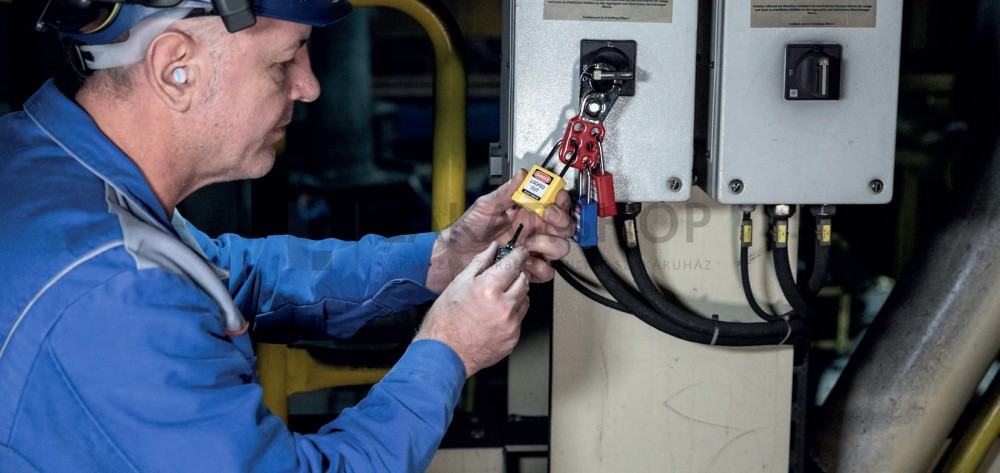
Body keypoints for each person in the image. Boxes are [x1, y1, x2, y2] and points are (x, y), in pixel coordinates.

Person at [0, 1, 572, 471]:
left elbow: (234, 275)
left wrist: (441, 259)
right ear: (177, 68)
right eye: (283, 61)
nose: (310, 86)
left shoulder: (52, 165)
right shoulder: (112, 291)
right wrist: (448, 351)